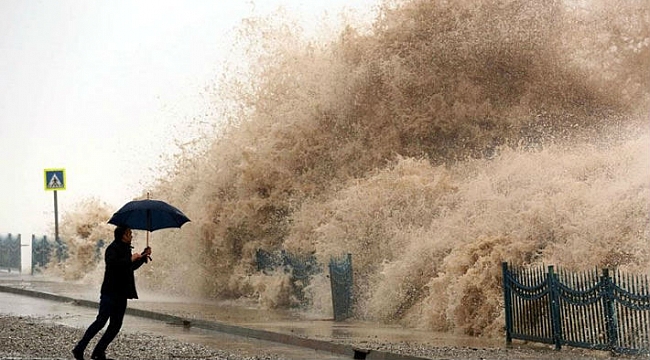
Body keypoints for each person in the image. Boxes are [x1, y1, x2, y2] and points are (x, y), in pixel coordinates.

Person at [72, 226, 152, 360]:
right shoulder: (112, 248)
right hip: (110, 292)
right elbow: (113, 264)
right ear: (123, 236)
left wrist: (143, 257)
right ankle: (79, 348)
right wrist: (131, 259)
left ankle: (98, 351)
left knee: (116, 325)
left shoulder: (127, 249)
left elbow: (129, 268)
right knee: (101, 322)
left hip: (122, 293)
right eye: (129, 234)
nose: (131, 236)